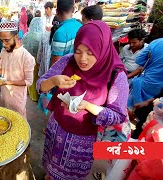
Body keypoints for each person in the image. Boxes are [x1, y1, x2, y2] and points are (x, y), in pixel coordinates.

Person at [37, 21, 129, 179]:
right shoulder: (67, 61)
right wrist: (54, 81)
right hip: (56, 128)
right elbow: (41, 85)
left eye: (90, 52)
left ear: (102, 48)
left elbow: (118, 115)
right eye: (78, 51)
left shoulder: (116, 75)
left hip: (82, 142)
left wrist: (87, 106)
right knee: (50, 168)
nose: (82, 59)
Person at [0, 21, 35, 119]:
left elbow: (29, 81)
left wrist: (8, 82)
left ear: (16, 37)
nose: (4, 44)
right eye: (1, 41)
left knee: (18, 122)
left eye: (6, 40)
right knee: (6, 119)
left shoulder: (27, 57)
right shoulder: (4, 51)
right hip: (5, 95)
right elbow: (3, 71)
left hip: (17, 99)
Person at [50, 0, 82, 66]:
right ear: (73, 10)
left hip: (64, 73)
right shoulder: (80, 26)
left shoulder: (60, 33)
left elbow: (56, 62)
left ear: (56, 12)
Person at [22, 18, 44, 102]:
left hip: (26, 58)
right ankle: (34, 96)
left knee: (27, 76)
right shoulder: (41, 36)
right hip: (36, 59)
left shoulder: (26, 35)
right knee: (35, 78)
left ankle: (28, 92)